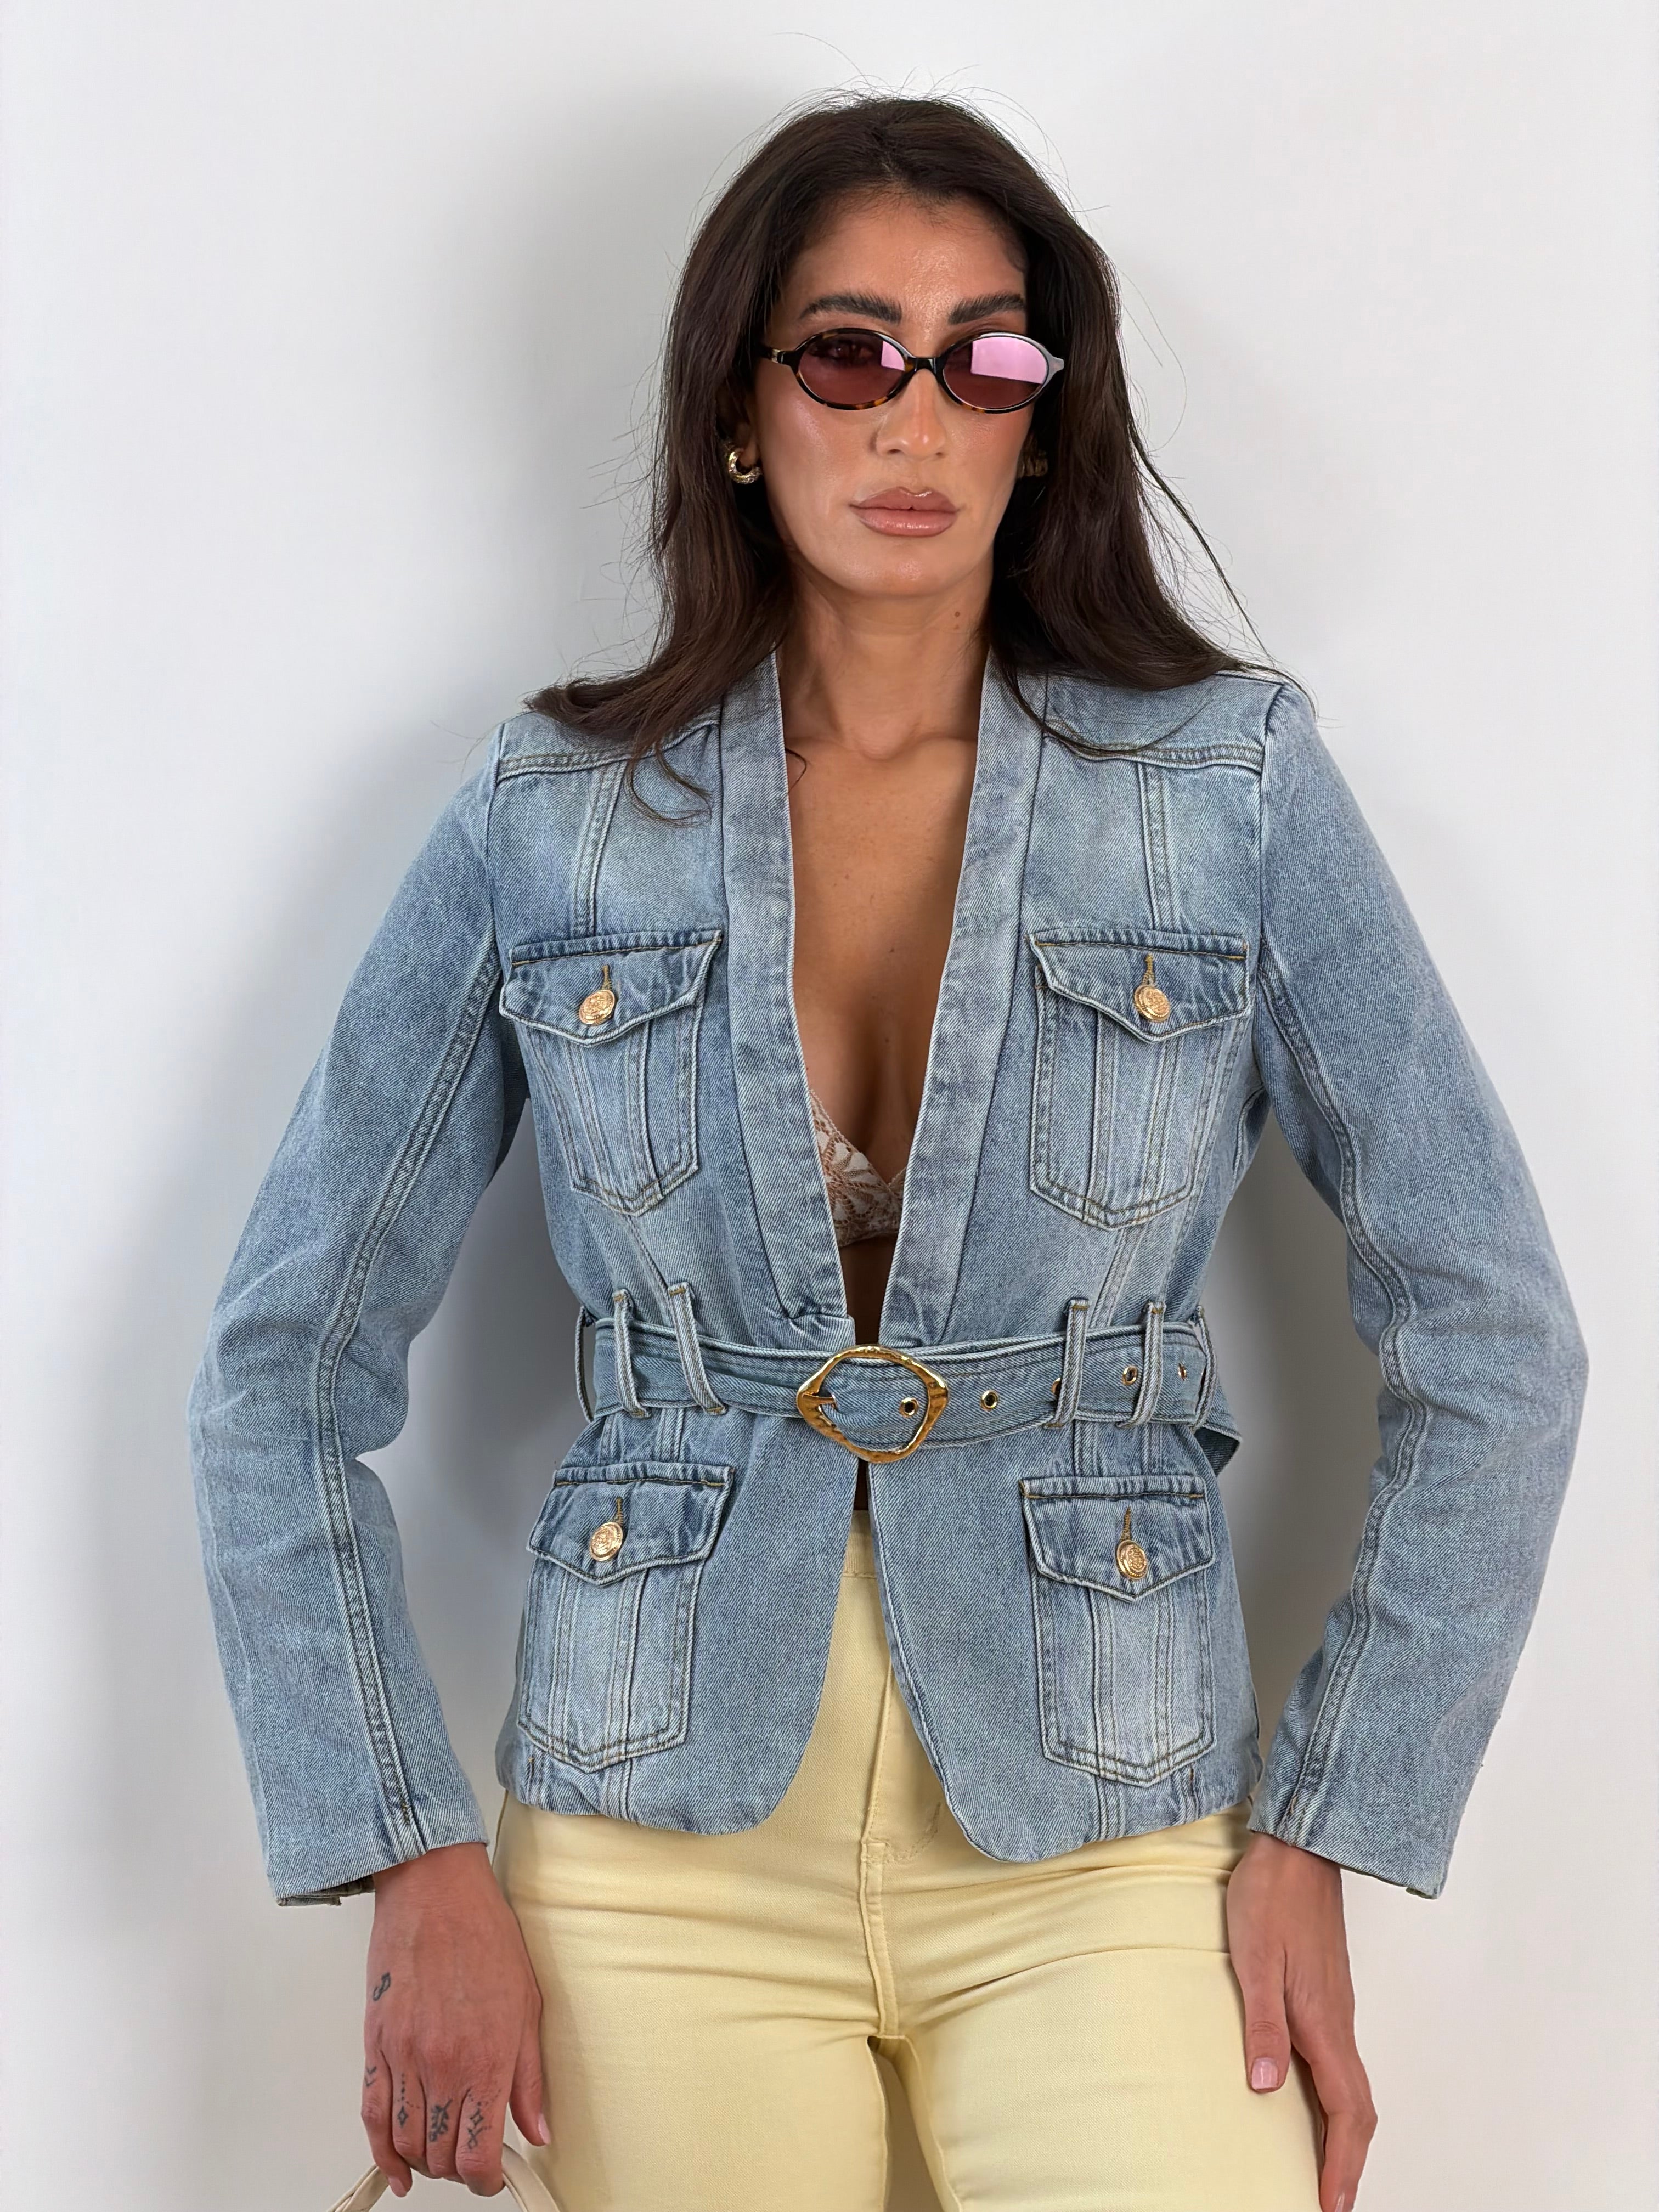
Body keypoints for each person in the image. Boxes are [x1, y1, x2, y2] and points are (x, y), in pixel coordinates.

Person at [188, 92, 1588, 2212]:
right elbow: (278, 1366)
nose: (916, 415)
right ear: (742, 407)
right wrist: (405, 1851)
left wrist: (1331, 1823)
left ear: (1046, 419)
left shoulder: (1226, 789)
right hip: (649, 1840)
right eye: (849, 353)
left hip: (1108, 1823)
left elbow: (1497, 1333)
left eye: (985, 358)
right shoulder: (556, 814)